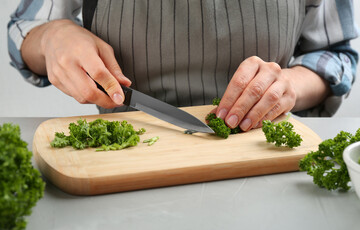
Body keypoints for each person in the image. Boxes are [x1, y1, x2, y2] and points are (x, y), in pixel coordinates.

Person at [8, 0, 359, 132]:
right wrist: (53, 36)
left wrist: (291, 85)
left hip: (261, 152)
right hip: (125, 161)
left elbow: (337, 52)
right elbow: (24, 31)